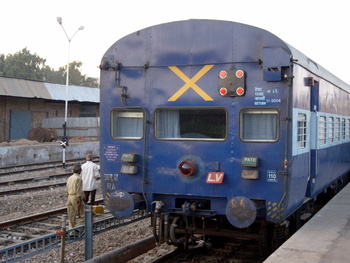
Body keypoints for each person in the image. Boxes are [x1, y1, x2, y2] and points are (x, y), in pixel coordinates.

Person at [66, 163, 85, 230]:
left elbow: (67, 189)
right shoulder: (79, 179)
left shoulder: (70, 178)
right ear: (79, 171)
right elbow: (79, 191)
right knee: (83, 214)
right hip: (75, 198)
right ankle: (79, 229)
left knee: (71, 216)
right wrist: (79, 201)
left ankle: (71, 231)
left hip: (69, 197)